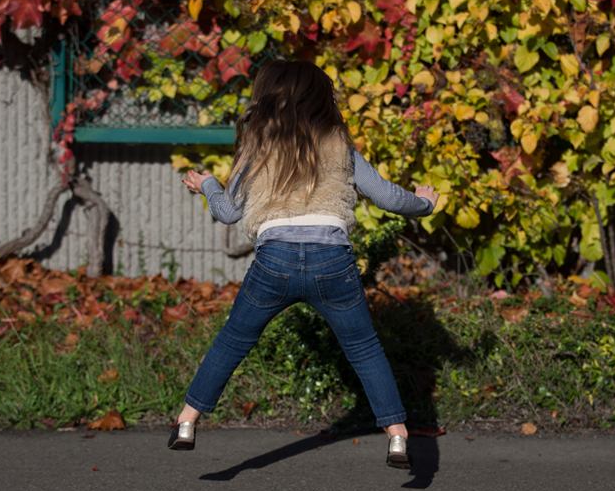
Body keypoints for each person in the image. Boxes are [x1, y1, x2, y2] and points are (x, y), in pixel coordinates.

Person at [170, 60, 438, 469]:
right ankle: (398, 437)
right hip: (333, 262)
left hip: (272, 263)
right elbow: (387, 197)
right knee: (365, 349)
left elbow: (226, 212)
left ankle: (187, 423)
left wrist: (206, 183)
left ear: (265, 97)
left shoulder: (255, 147)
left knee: (232, 342)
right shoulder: (339, 145)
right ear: (321, 97)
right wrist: (425, 203)